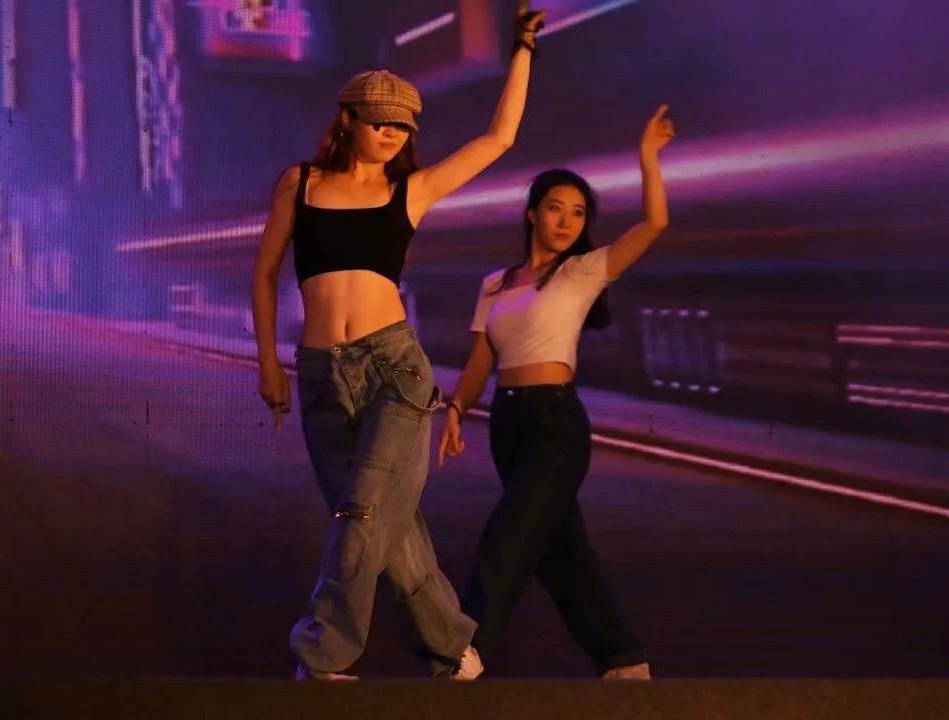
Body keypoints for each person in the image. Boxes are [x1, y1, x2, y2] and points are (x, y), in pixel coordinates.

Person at [251, 1, 547, 681]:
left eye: (403, 125)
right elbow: (264, 275)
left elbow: (499, 138)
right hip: (320, 374)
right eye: (380, 121)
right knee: (384, 526)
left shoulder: (410, 191)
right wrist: (268, 362)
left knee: (362, 514)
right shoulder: (300, 183)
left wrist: (523, 48)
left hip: (394, 371)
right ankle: (451, 648)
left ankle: (321, 653)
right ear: (348, 120)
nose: (392, 133)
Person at [437, 105, 676, 679]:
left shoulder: (582, 272)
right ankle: (623, 658)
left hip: (556, 425)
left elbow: (653, 225)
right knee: (559, 550)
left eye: (578, 212)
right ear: (532, 213)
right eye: (555, 208)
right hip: (509, 425)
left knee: (509, 535)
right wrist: (456, 407)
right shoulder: (494, 284)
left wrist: (647, 157)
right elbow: (481, 359)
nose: (567, 221)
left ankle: (462, 651)